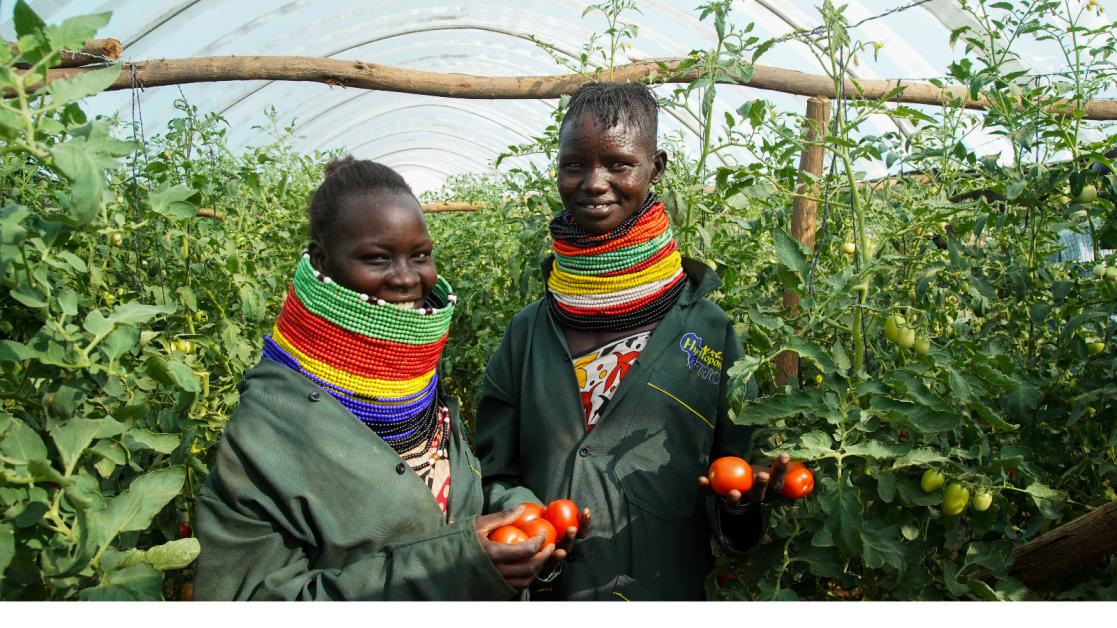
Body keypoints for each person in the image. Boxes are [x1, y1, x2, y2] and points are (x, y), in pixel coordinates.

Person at [475, 82, 789, 601]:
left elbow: (733, 469)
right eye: (574, 165)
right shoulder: (528, 333)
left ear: (656, 168)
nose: (594, 183)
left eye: (619, 164)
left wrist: (740, 505)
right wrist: (528, 516)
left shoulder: (708, 332)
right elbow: (492, 471)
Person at [194, 157, 554, 600]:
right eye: (378, 258)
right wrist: (452, 565)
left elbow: (444, 501)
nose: (407, 278)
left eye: (420, 255)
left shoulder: (417, 393)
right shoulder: (267, 432)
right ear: (321, 260)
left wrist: (511, 513)